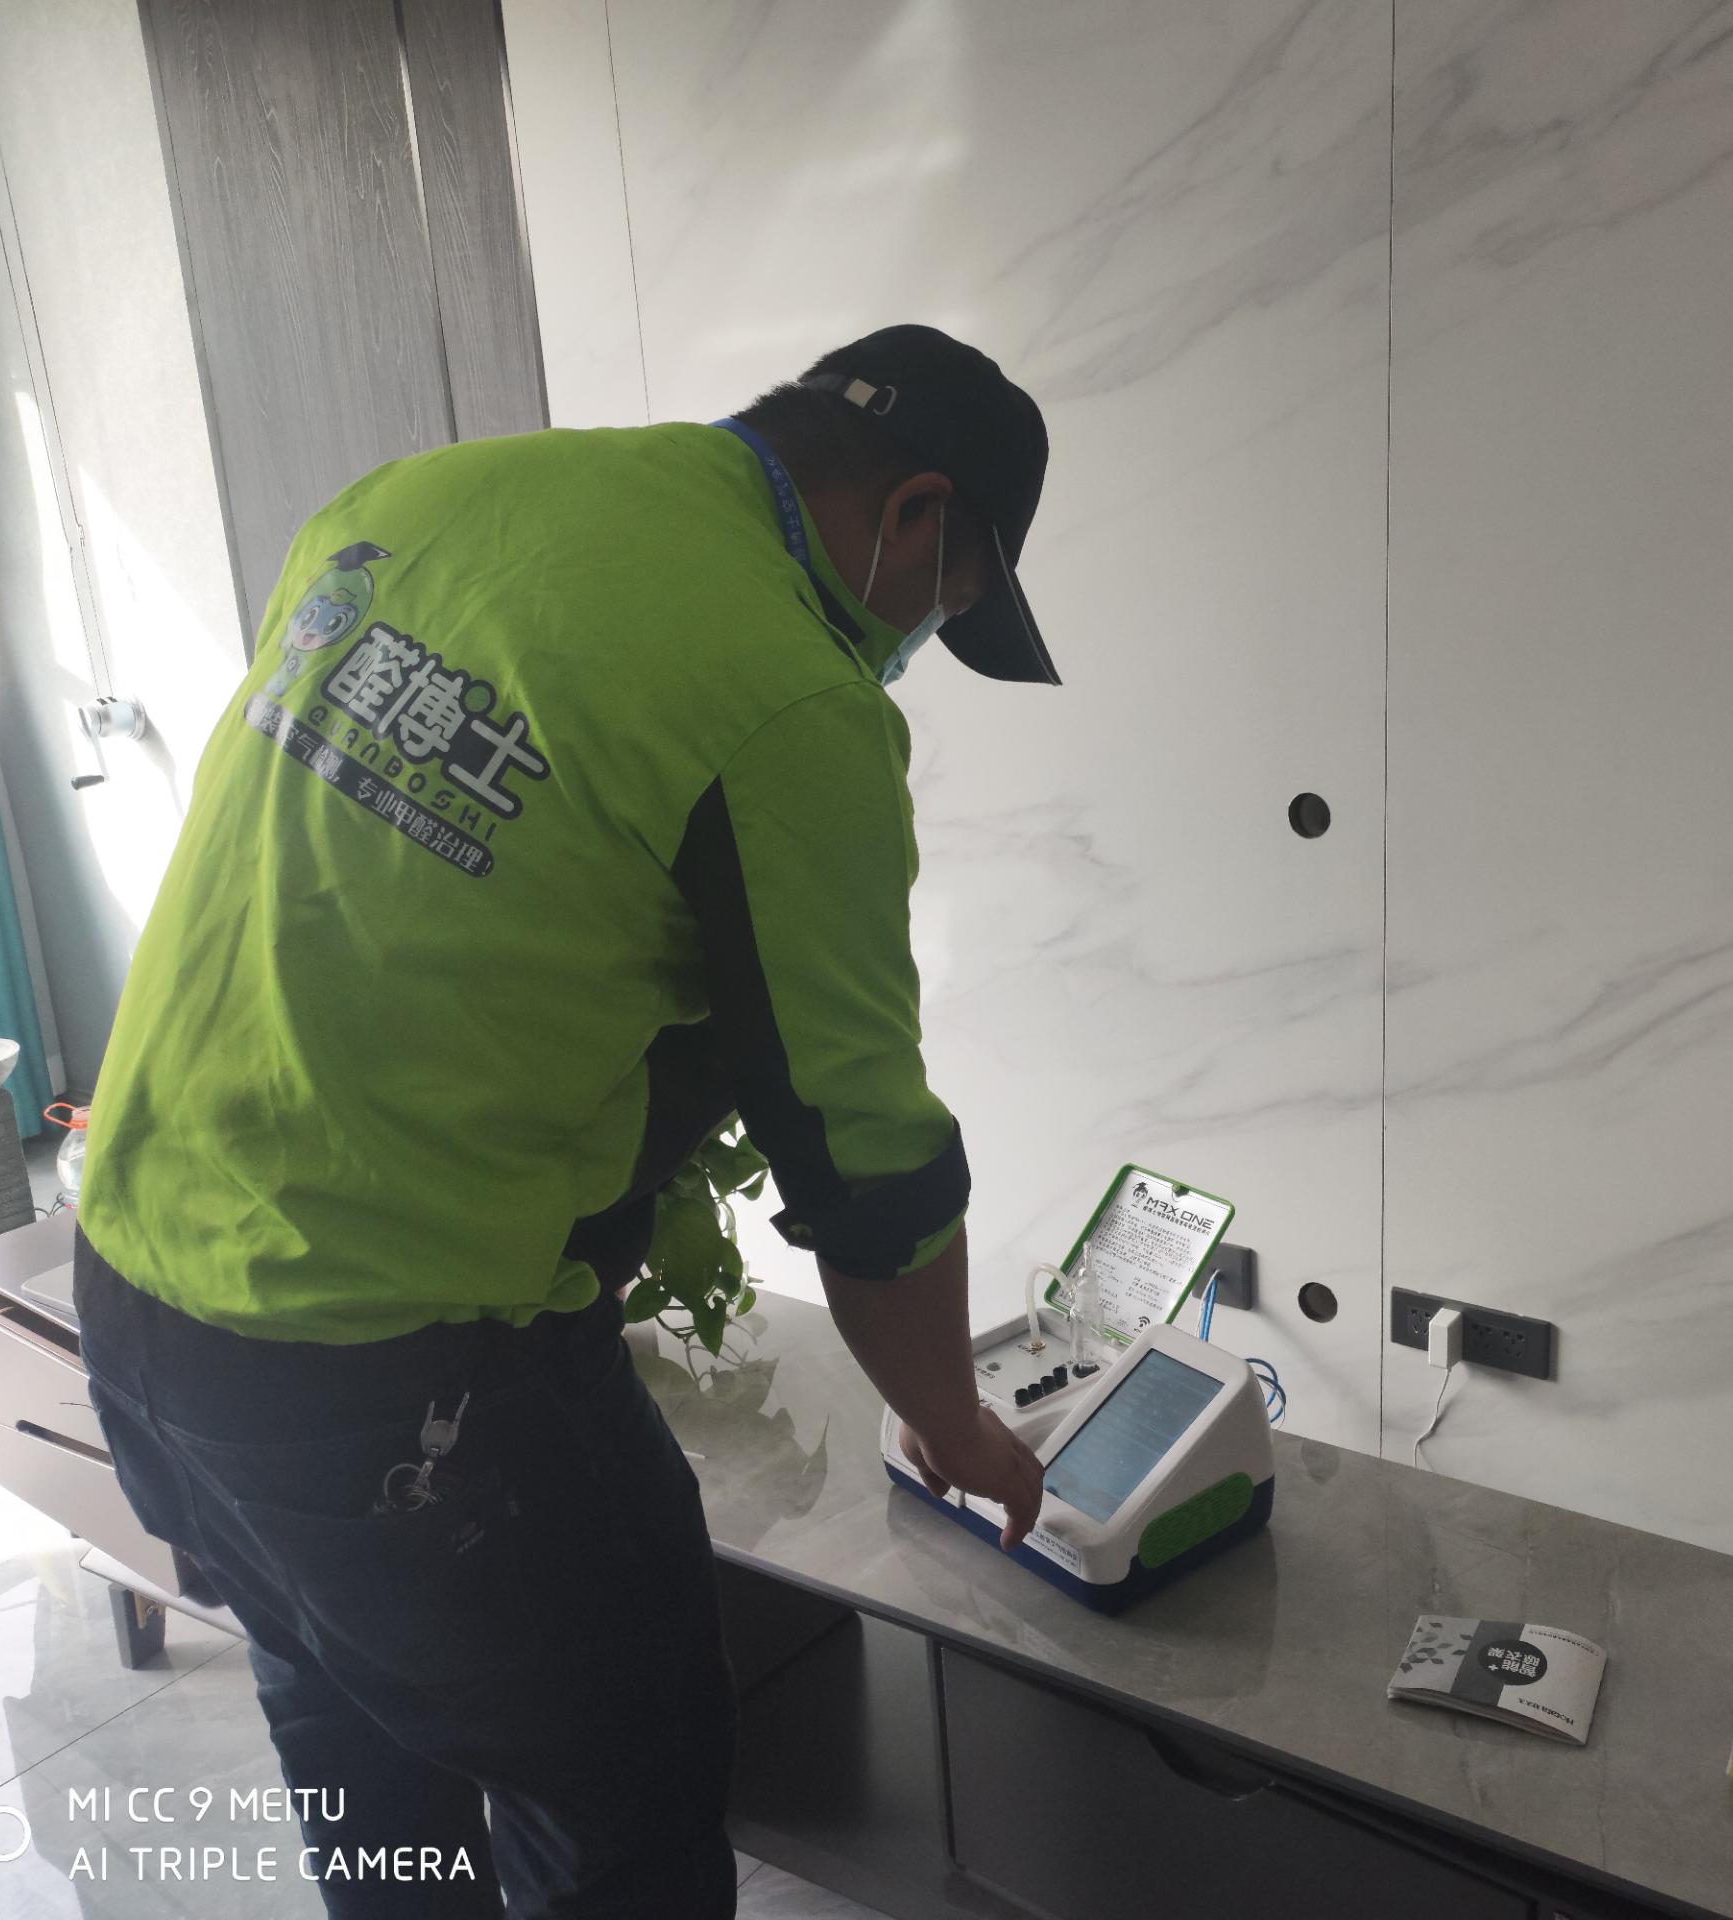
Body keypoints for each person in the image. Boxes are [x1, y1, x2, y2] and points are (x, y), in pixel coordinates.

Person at [72, 325, 1058, 1918]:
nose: (913, 646)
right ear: (916, 514)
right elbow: (865, 1158)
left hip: (135, 1302)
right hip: (404, 1398)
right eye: (944, 613)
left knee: (353, 1737)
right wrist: (952, 1423)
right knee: (624, 1818)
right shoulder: (789, 695)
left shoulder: (426, 494)